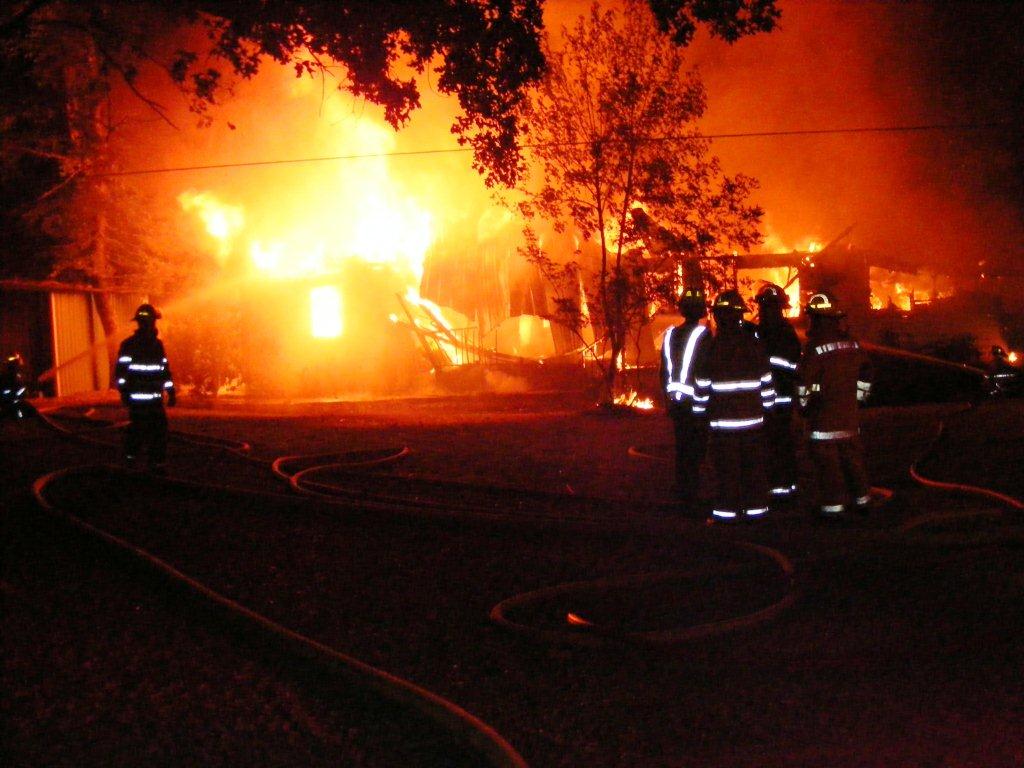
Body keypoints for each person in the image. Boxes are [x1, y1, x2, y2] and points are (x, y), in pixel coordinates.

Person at [693, 289, 774, 522]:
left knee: (726, 471)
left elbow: (702, 385)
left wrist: (699, 415)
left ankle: (726, 514)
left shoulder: (711, 348)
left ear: (718, 317)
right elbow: (766, 381)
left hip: (723, 425)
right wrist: (768, 409)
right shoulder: (754, 345)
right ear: (740, 315)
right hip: (753, 423)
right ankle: (756, 513)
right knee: (753, 470)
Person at [796, 292, 873, 520]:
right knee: (853, 463)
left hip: (823, 421)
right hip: (849, 419)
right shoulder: (852, 344)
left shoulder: (815, 348)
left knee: (829, 469)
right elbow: (866, 372)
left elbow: (803, 383)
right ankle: (863, 502)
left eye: (812, 317)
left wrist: (803, 407)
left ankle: (833, 510)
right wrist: (859, 398)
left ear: (818, 320)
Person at [660, 286, 712, 513]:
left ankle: (683, 490)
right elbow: (706, 370)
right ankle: (691, 493)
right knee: (696, 449)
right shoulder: (703, 335)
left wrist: (668, 399)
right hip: (696, 403)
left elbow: (664, 370)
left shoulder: (670, 334)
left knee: (682, 448)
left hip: (676, 402)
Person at [753, 284, 802, 503]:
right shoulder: (761, 332)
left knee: (779, 444)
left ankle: (781, 491)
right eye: (763, 307)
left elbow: (789, 365)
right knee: (773, 446)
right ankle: (782, 488)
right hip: (768, 399)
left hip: (779, 399)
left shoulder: (782, 333)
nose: (764, 311)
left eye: (768, 307)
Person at [115, 303, 176, 470]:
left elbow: (163, 370)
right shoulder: (132, 345)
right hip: (143, 400)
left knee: (152, 431)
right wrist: (124, 392)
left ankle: (149, 464)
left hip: (148, 399)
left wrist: (171, 391)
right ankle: (135, 463)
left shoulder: (154, 345)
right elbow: (121, 373)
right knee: (144, 431)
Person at [1, 352, 37, 419]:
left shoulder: (19, 376)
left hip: (15, 402)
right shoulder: (7, 377)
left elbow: (22, 389)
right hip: (9, 404)